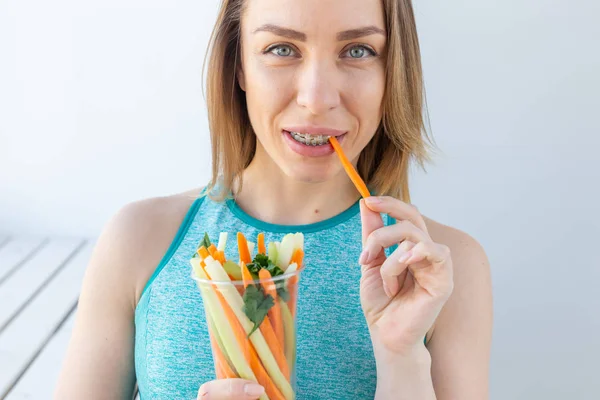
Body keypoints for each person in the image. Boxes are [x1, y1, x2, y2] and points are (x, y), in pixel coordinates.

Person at [55, 0, 493, 398]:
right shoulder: (138, 241)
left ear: (392, 71)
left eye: (358, 50)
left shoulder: (442, 269)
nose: (317, 99)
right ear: (239, 65)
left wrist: (403, 358)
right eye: (282, 49)